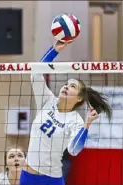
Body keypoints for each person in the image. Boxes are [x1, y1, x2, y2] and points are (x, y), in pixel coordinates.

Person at [20, 41, 112, 185]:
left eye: (72, 86)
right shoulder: (47, 100)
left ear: (79, 98)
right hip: (28, 176)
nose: (66, 87)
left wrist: (86, 125)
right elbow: (35, 74)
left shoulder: (76, 121)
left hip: (52, 179)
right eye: (66, 84)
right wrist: (54, 50)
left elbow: (74, 150)